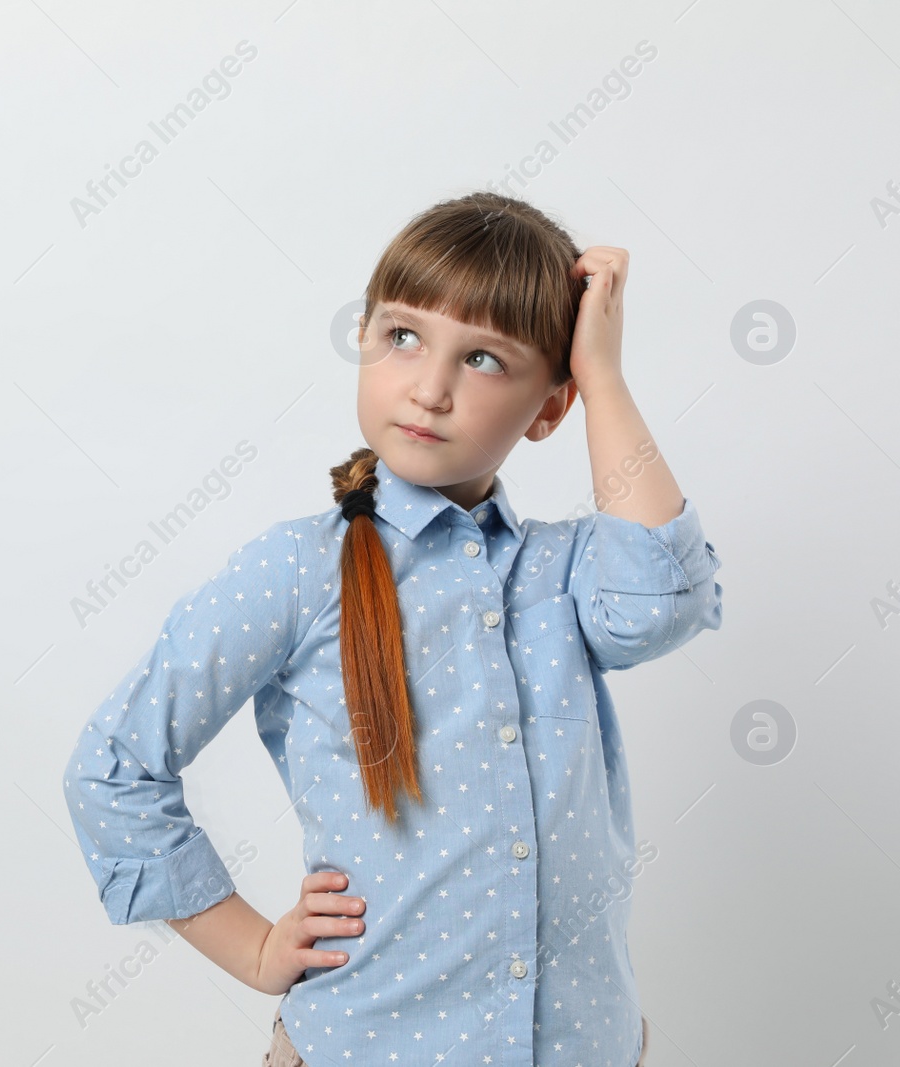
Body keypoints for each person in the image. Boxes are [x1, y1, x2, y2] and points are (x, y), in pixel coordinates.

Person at [61, 190, 721, 1067]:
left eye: (484, 357)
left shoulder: (565, 574)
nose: (430, 387)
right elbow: (113, 768)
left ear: (548, 409)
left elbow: (661, 603)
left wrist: (603, 377)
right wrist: (252, 946)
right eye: (402, 336)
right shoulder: (297, 571)